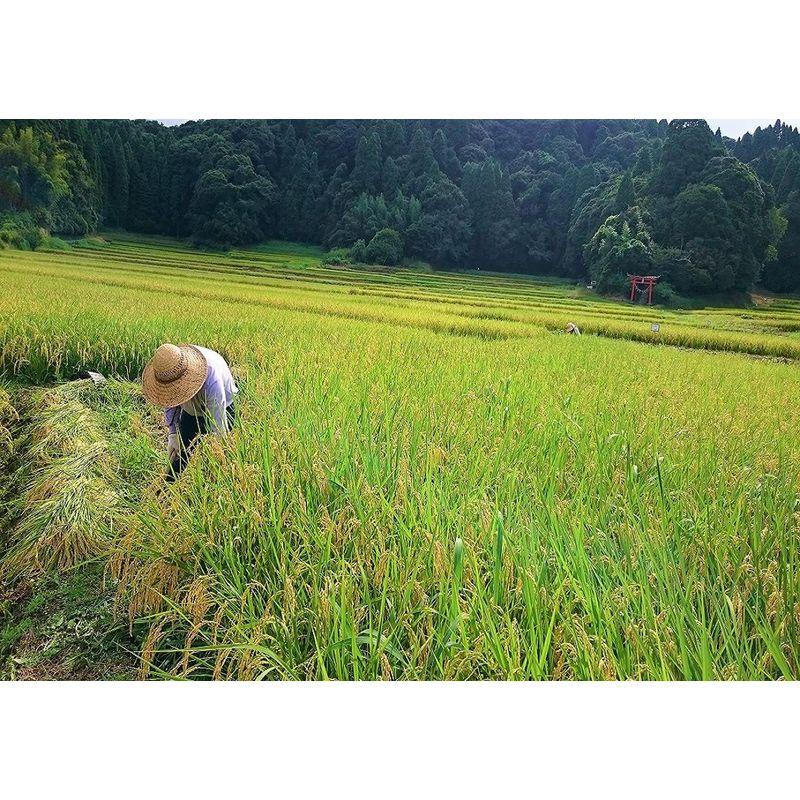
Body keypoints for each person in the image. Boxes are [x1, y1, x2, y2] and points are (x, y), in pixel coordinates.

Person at [142, 343, 238, 479]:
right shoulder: (168, 370)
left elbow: (218, 430)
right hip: (191, 411)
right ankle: (168, 488)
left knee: (219, 455)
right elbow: (169, 401)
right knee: (180, 454)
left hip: (223, 407)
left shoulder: (212, 379)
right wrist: (173, 433)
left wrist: (218, 453)